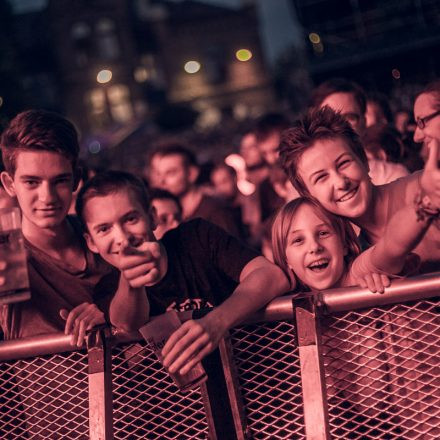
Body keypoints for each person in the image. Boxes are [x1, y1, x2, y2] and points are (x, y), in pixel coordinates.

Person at [75, 170, 290, 376]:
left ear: (151, 217)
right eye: (104, 229)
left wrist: (216, 322)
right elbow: (128, 322)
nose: (122, 237)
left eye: (131, 219)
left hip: (255, 383)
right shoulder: (108, 287)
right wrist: (131, 282)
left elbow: (272, 276)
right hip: (179, 410)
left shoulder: (196, 237)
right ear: (91, 242)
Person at [0, 109, 121, 343]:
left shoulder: (103, 233)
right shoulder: (7, 253)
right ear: (9, 184)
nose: (47, 197)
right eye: (32, 182)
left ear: (76, 178)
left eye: (60, 181)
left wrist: (110, 308)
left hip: (135, 378)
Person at [279, 106, 440, 273]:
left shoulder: (426, 187)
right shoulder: (349, 252)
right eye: (321, 177)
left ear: (363, 160)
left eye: (344, 163)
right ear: (308, 194)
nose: (341, 182)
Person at [147, 142, 243, 238]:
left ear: (191, 174)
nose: (161, 181)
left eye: (171, 173)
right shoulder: (176, 214)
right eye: (159, 174)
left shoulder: (215, 211)